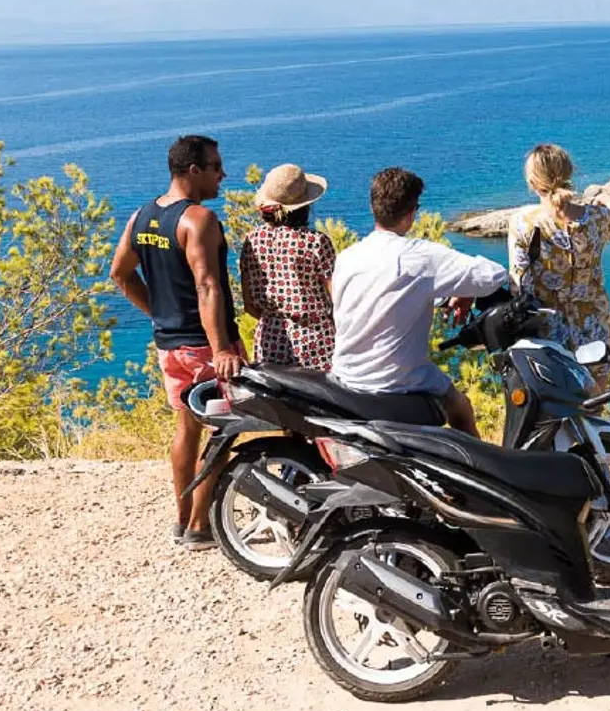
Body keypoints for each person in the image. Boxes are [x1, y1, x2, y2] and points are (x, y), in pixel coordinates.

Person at [109, 135, 244, 551]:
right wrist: (221, 348)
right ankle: (200, 527)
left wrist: (158, 314)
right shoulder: (198, 219)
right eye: (216, 166)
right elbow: (207, 286)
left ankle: (182, 516)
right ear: (193, 170)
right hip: (204, 348)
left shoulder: (142, 217)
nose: (223, 174)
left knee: (187, 427)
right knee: (223, 432)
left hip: (169, 346)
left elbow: (120, 274)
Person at [329, 167, 507, 437]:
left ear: (373, 206)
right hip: (396, 380)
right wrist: (466, 291)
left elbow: (384, 298)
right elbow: (493, 275)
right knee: (461, 407)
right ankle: (478, 472)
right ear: (412, 213)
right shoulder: (420, 256)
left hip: (346, 374)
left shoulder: (348, 257)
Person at [506, 143, 610, 386]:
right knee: (593, 407)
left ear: (532, 182)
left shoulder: (522, 223)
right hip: (596, 327)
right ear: (569, 174)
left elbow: (520, 284)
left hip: (548, 332)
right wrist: (609, 200)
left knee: (557, 410)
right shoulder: (597, 218)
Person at [237, 163, 337, 370]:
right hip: (315, 341)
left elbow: (249, 305)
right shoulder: (315, 242)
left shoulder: (252, 241)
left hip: (269, 340)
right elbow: (337, 299)